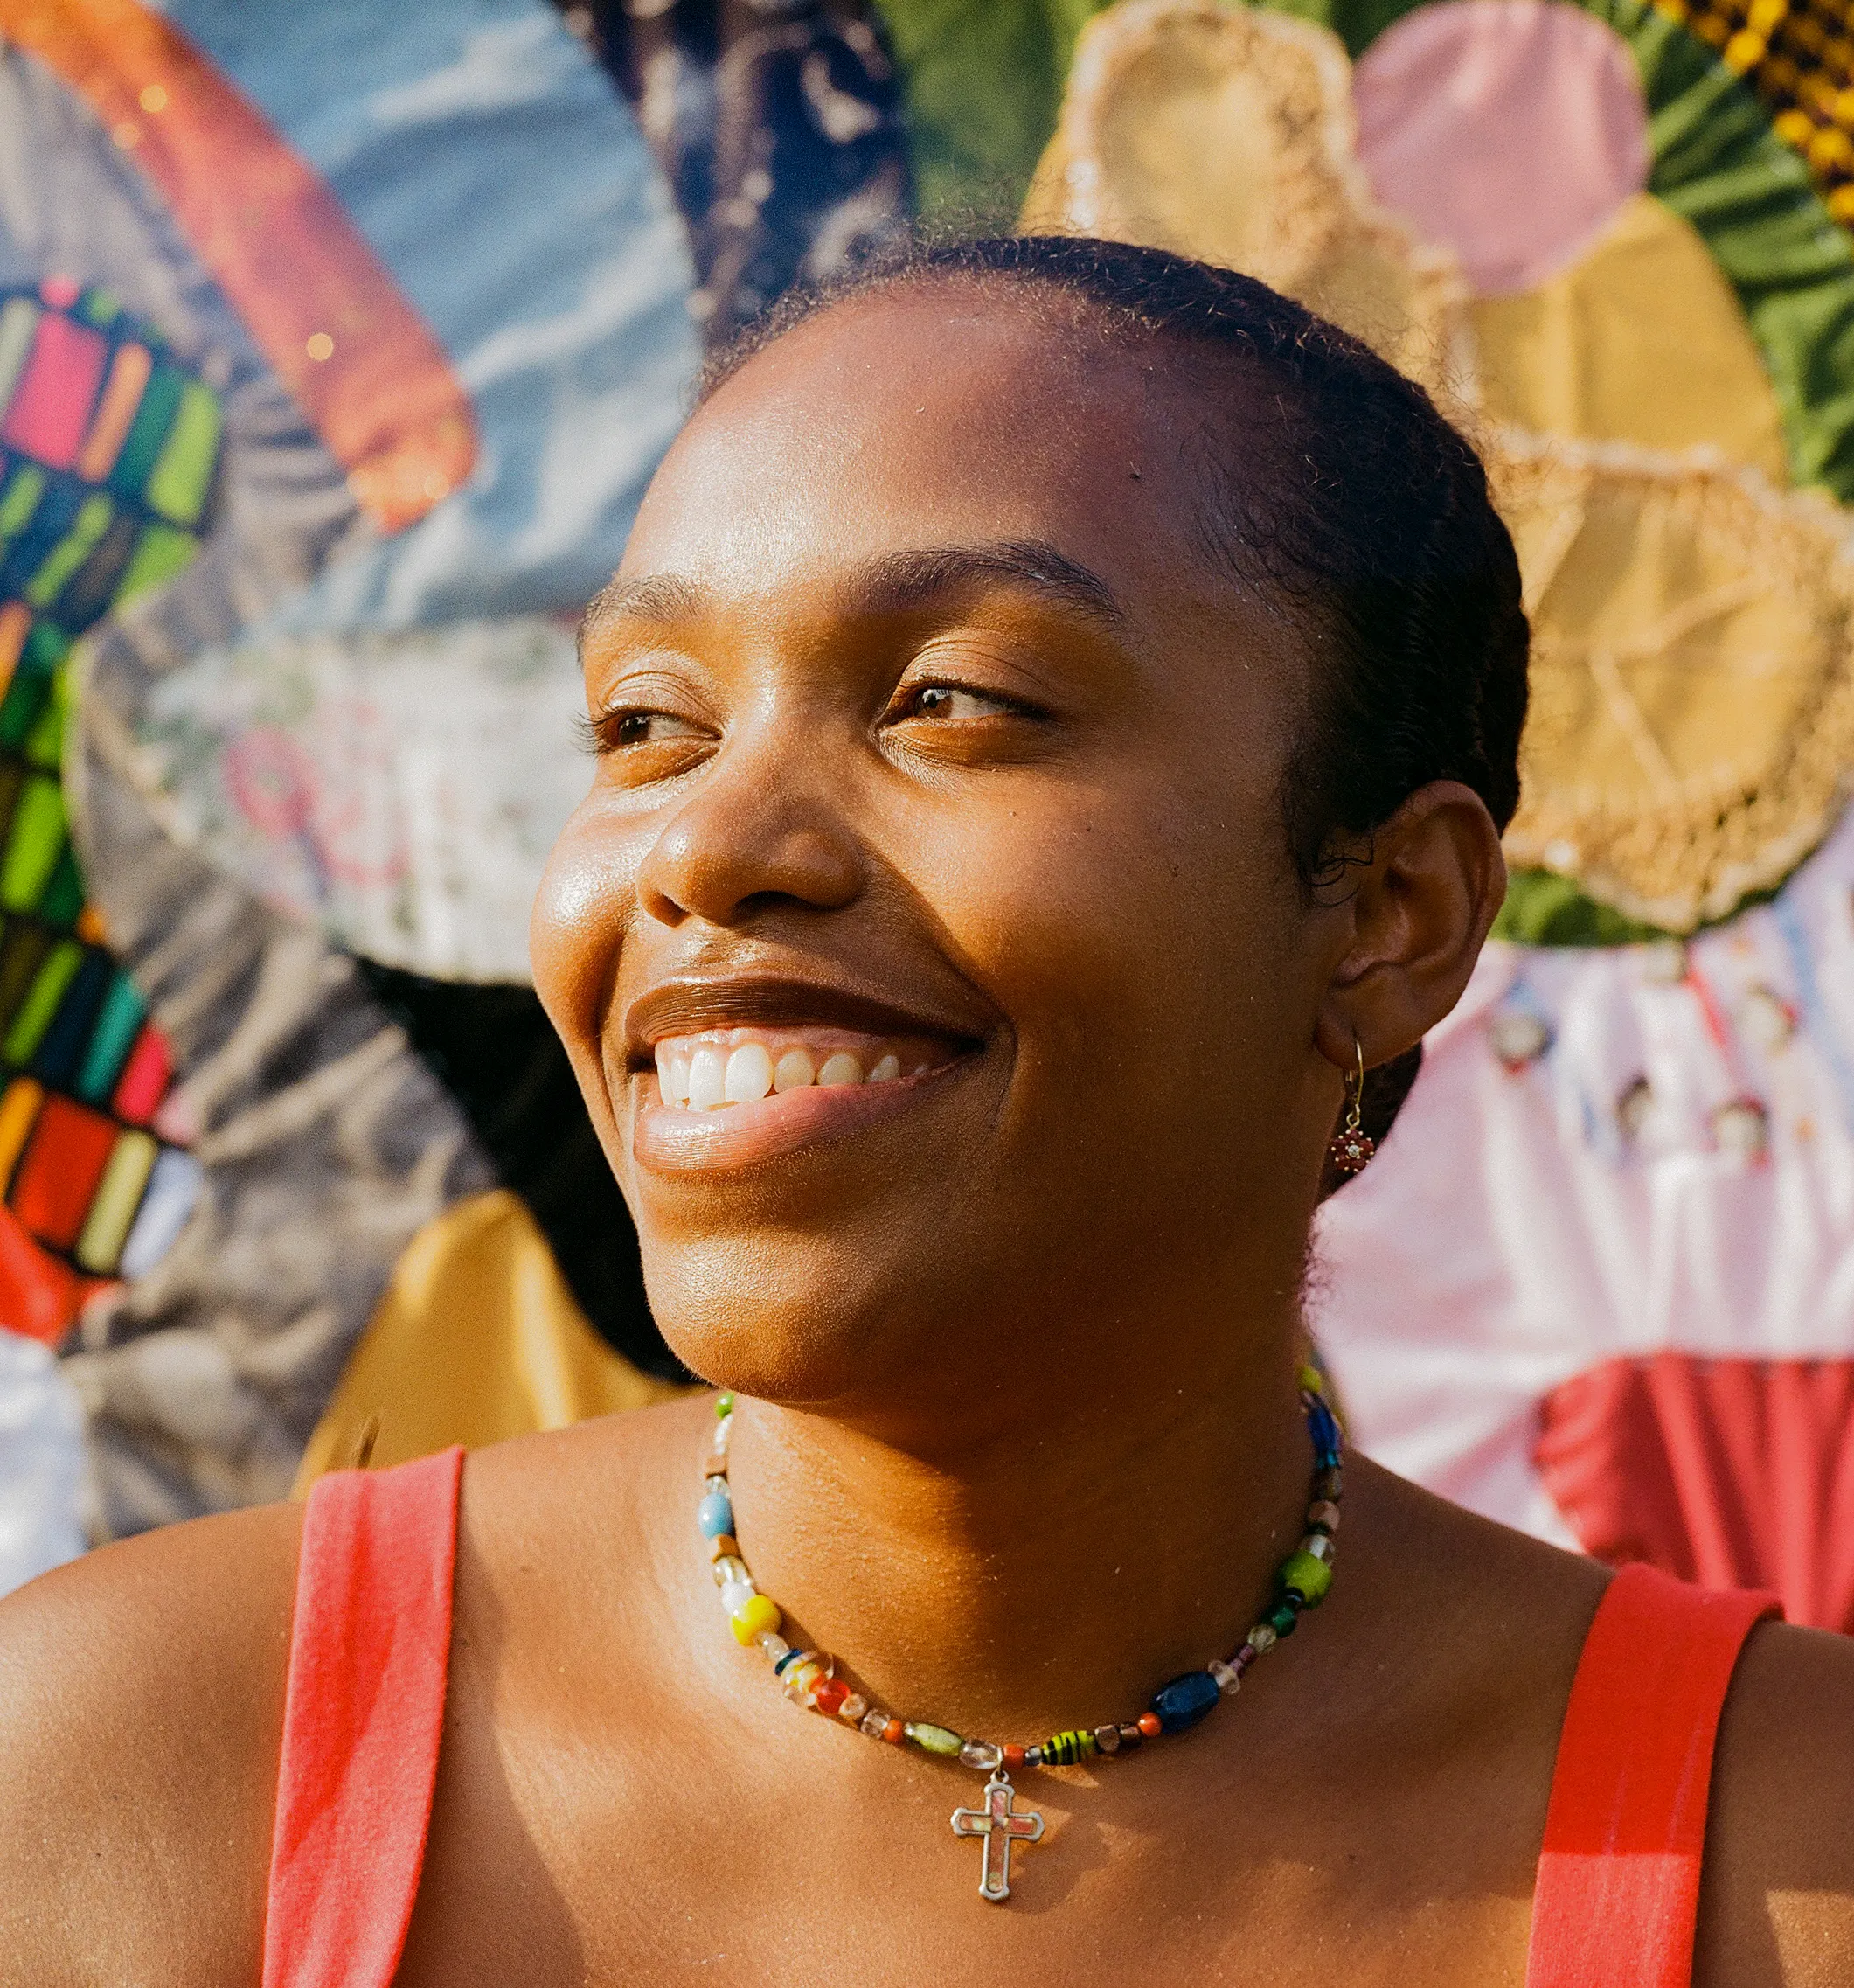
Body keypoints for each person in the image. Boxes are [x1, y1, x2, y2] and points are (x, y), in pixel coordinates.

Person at [3, 236, 1851, 1987]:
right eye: (646, 726)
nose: (711, 849)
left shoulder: (1789, 1856)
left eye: (951, 702)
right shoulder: (125, 1787)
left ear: (1389, 914)